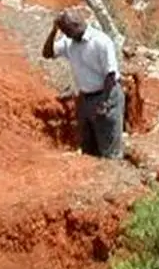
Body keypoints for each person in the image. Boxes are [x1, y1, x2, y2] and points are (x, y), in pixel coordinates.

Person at [42, 9, 124, 159]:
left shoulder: (101, 41)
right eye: (63, 31)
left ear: (76, 25)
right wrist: (53, 31)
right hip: (86, 98)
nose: (65, 34)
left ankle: (114, 177)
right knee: (88, 147)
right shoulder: (69, 43)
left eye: (67, 30)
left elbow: (111, 75)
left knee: (109, 147)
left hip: (106, 94)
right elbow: (47, 53)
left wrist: (105, 103)